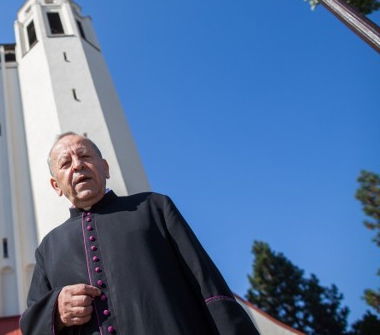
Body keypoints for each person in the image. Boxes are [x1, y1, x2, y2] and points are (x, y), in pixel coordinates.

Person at [19, 132, 259, 334]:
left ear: (105, 168)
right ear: (56, 186)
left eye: (84, 156)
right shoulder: (47, 248)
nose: (77, 165)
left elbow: (208, 286)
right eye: (65, 163)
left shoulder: (155, 207)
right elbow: (31, 322)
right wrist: (57, 310)